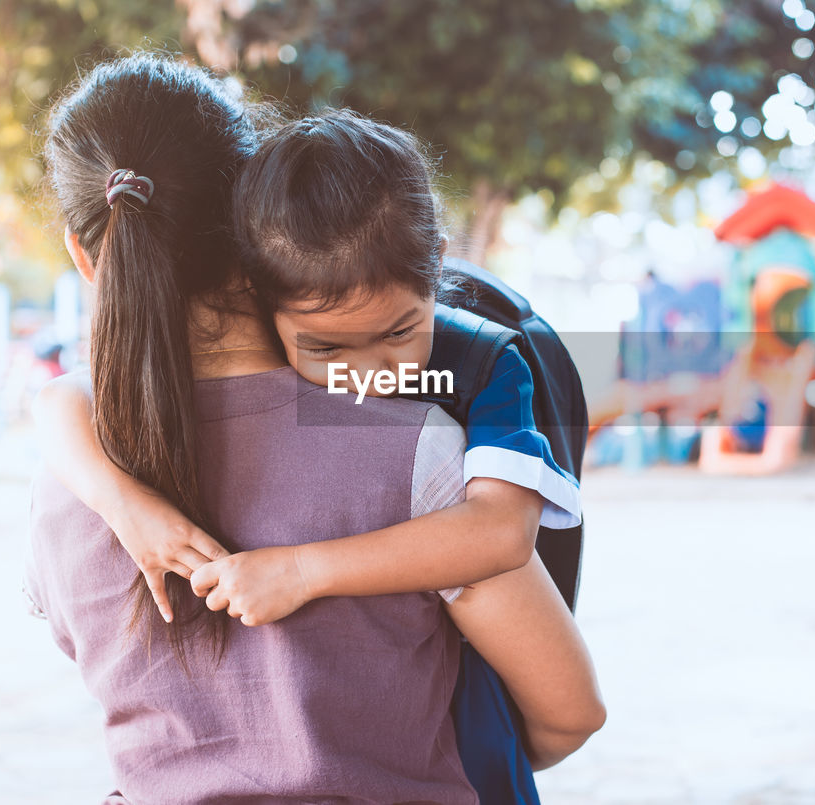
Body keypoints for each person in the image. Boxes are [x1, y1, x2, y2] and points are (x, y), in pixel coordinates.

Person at [26, 54, 603, 801]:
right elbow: (570, 711)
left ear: (83, 253)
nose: (377, 369)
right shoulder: (422, 452)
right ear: (252, 226)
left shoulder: (67, 479)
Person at [34, 111, 584, 627]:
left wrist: (302, 570)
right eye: (327, 350)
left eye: (397, 333)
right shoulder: (270, 340)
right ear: (256, 297)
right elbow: (61, 401)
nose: (371, 372)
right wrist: (124, 505)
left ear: (436, 264)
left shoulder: (487, 367)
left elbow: (504, 530)